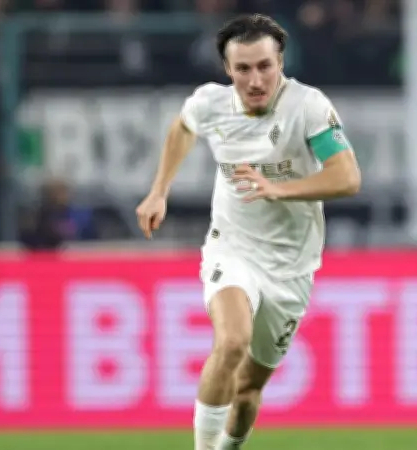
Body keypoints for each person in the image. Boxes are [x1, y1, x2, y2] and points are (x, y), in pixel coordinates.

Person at [135, 13, 361, 450]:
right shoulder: (211, 103)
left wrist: (279, 189)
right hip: (232, 248)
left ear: (281, 63)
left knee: (248, 390)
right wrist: (159, 190)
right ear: (227, 68)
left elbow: (347, 177)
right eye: (243, 69)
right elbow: (183, 128)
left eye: (264, 66)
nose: (255, 80)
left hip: (291, 267)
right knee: (232, 341)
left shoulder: (309, 107)